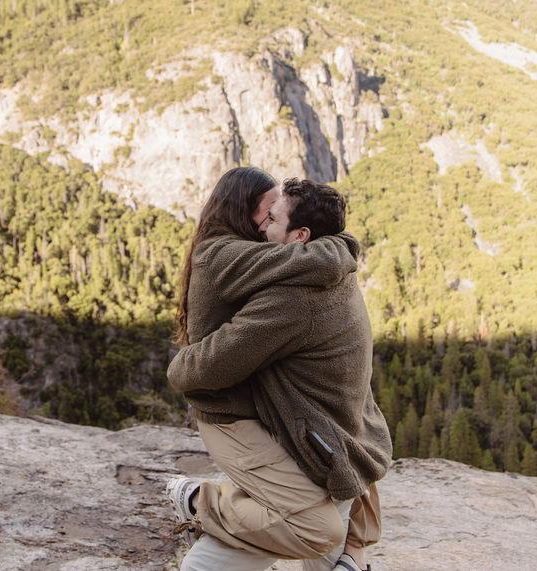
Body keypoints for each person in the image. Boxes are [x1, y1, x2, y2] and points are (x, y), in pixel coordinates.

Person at [166, 176, 391, 571]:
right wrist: (180, 364)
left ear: (302, 235)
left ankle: (350, 557)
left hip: (309, 419)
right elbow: (207, 365)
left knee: (330, 496)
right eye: (264, 214)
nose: (264, 227)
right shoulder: (293, 273)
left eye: (274, 217)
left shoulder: (297, 287)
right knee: (319, 523)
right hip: (233, 415)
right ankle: (201, 500)